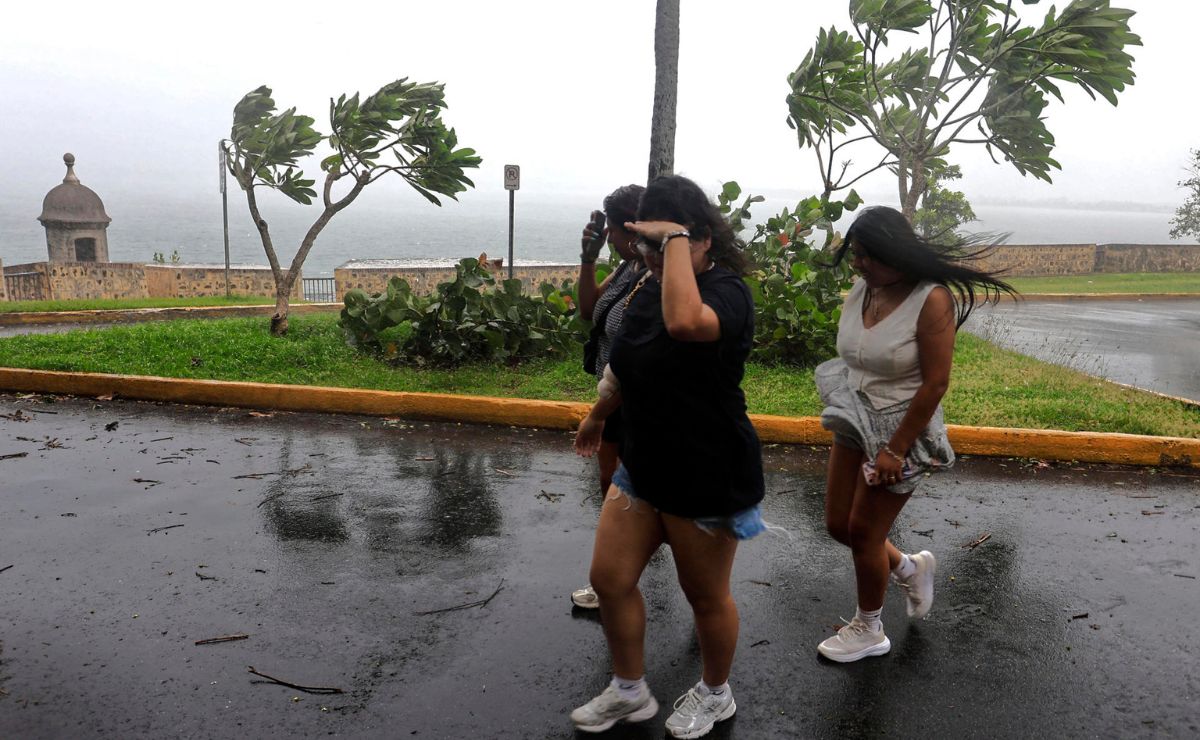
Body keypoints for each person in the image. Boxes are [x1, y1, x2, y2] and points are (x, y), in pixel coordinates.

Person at [570, 175, 764, 738]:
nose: (648, 257)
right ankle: (630, 690)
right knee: (608, 578)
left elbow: (686, 324)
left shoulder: (727, 292)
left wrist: (675, 238)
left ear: (701, 239)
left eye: (662, 245)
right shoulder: (651, 288)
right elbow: (628, 364)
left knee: (705, 598)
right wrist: (598, 412)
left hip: (706, 471)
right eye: (647, 246)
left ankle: (716, 693)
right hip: (644, 464)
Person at [814, 205, 1015, 663]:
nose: (859, 263)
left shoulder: (932, 299)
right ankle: (909, 566)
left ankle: (869, 628)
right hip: (856, 419)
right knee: (836, 525)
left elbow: (935, 382)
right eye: (855, 254)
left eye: (869, 255)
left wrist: (895, 449)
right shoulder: (862, 290)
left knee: (864, 533)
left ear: (896, 252)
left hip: (902, 430)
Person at [570, 184, 646, 611]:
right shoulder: (626, 270)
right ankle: (614, 572)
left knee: (631, 488)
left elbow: (640, 358)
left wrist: (598, 414)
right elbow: (588, 311)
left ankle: (616, 575)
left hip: (632, 399)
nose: (609, 237)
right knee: (610, 482)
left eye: (612, 230)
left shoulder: (652, 276)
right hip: (611, 392)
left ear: (631, 230)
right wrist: (588, 259)